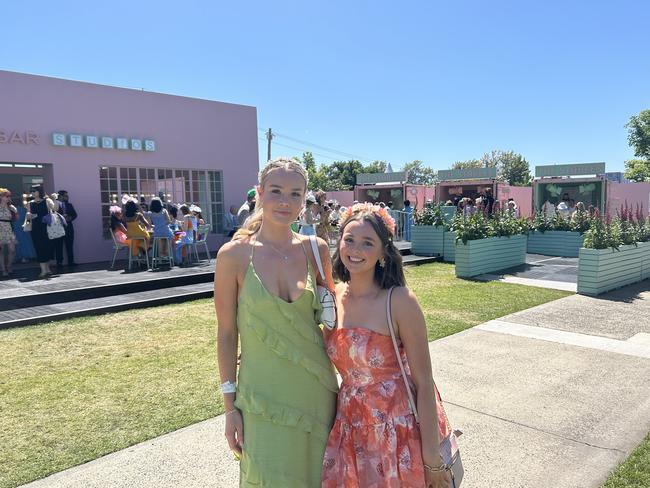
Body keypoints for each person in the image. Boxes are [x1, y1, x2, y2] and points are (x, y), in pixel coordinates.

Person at [215, 157, 337, 487]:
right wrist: (230, 408)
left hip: (317, 394)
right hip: (260, 399)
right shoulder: (233, 256)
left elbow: (334, 323)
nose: (286, 202)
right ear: (260, 192)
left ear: (305, 199)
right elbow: (226, 335)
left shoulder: (317, 250)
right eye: (277, 191)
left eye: (296, 194)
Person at [321, 203, 450, 488]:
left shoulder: (400, 301)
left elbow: (425, 383)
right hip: (350, 426)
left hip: (397, 430)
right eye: (350, 239)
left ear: (382, 252)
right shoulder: (333, 296)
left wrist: (430, 456)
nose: (355, 250)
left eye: (368, 243)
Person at [26, 185, 56, 278]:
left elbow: (54, 208)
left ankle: (47, 269)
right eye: (31, 191)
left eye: (35, 190)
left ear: (40, 191)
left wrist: (53, 200)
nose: (33, 192)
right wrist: (28, 216)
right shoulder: (30, 203)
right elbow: (28, 216)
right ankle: (43, 270)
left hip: (47, 227)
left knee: (48, 248)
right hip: (36, 228)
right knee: (39, 248)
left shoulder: (46, 201)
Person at [57, 190, 77, 266]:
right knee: (59, 245)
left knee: (70, 245)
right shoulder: (55, 205)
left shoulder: (69, 205)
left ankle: (71, 262)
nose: (67, 197)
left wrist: (70, 218)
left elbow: (75, 214)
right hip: (59, 228)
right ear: (60, 196)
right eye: (65, 195)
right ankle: (59, 262)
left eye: (67, 195)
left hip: (68, 228)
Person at [0, 188, 18, 276]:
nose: (8, 198)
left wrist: (14, 213)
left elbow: (16, 218)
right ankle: (3, 269)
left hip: (9, 228)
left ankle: (8, 266)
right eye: (6, 196)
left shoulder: (11, 207)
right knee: (1, 251)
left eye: (9, 196)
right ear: (1, 197)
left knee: (12, 250)